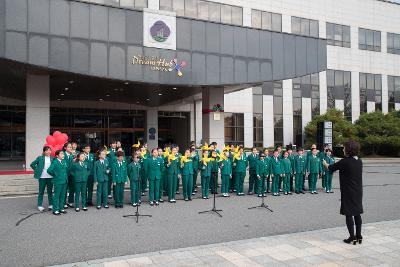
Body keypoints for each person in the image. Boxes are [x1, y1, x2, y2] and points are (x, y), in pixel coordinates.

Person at [322, 140, 364, 245]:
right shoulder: (359, 161)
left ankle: (352, 237)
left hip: (348, 191)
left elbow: (331, 168)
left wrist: (325, 163)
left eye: (344, 147)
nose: (343, 149)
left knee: (348, 213)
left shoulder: (345, 161)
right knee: (357, 213)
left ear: (348, 149)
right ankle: (359, 236)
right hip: (358, 190)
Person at [30, 146, 54, 212]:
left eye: (49, 150)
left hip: (50, 177)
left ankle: (51, 205)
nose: (48, 152)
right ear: (44, 151)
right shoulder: (40, 158)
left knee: (50, 192)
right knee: (41, 192)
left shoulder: (53, 158)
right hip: (42, 177)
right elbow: (32, 164)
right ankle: (40, 205)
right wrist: (37, 170)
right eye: (47, 150)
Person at [47, 150, 68, 215]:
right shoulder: (55, 162)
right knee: (57, 196)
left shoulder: (64, 161)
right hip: (58, 181)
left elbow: (65, 170)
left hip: (64, 181)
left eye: (63, 154)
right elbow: (49, 170)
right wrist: (55, 175)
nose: (63, 155)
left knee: (63, 195)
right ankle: (55, 209)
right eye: (61, 154)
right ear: (57, 156)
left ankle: (61, 208)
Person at [63, 143, 75, 208]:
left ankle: (70, 202)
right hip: (65, 174)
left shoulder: (72, 155)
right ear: (65, 148)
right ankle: (63, 202)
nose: (70, 148)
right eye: (69, 147)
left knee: (72, 188)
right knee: (64, 188)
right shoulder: (62, 154)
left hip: (72, 174)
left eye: (71, 147)